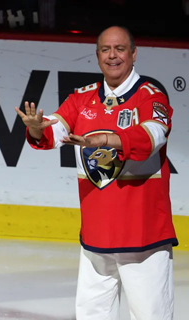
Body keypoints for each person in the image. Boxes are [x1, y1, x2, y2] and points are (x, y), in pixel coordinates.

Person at [16, 26, 177, 319]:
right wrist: (37, 127)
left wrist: (104, 140)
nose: (112, 55)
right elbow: (53, 130)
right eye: (105, 49)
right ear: (97, 55)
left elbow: (153, 137)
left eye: (120, 49)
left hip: (143, 239)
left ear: (133, 54)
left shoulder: (150, 97)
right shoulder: (82, 98)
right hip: (95, 238)